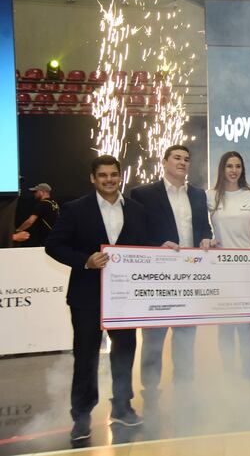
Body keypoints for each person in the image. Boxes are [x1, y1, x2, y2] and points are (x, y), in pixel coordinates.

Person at [45, 155, 146, 442]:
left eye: (113, 174)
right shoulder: (75, 209)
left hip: (125, 297)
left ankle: (122, 407)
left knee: (124, 352)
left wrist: (163, 249)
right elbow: (54, 246)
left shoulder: (137, 210)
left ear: (120, 176)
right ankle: (81, 416)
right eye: (102, 175)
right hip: (87, 297)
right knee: (85, 356)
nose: (109, 180)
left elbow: (146, 246)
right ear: (93, 178)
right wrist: (85, 261)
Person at [130, 145, 213, 397]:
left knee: (186, 333)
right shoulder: (143, 194)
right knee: (154, 335)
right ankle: (150, 388)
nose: (182, 162)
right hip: (158, 276)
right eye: (177, 158)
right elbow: (135, 233)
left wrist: (206, 238)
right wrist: (156, 247)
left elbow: (204, 228)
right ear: (164, 162)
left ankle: (184, 386)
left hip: (190, 275)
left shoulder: (198, 194)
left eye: (186, 159)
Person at [206, 151, 250, 379]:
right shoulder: (210, 196)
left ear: (242, 169)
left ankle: (248, 373)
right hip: (220, 269)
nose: (233, 170)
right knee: (226, 325)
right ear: (222, 169)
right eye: (229, 166)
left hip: (246, 269)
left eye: (237, 166)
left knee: (246, 325)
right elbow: (202, 227)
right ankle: (228, 374)